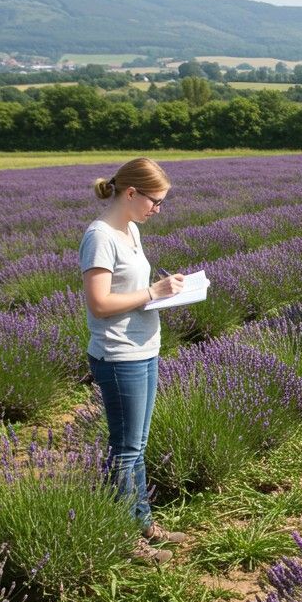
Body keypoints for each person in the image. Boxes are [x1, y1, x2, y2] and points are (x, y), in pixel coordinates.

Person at [80, 158, 188, 563]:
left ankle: (143, 521)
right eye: (155, 201)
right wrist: (152, 293)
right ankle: (124, 538)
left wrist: (167, 289)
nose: (157, 209)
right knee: (124, 450)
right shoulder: (100, 236)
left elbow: (133, 288)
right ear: (131, 193)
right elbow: (100, 302)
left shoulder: (131, 230)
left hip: (144, 347)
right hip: (117, 354)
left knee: (137, 446)